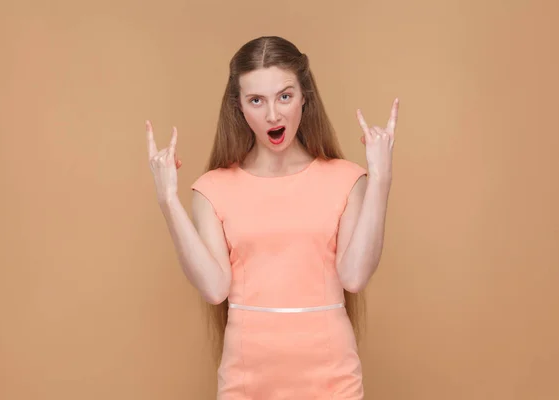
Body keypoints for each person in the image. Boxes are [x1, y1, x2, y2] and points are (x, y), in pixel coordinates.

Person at [146, 36, 398, 399]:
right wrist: (168, 200)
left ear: (304, 96)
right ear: (239, 108)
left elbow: (355, 276)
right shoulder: (212, 189)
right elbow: (215, 289)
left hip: (332, 381)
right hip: (246, 383)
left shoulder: (346, 179)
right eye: (256, 101)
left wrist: (381, 180)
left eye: (285, 96)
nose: (273, 115)